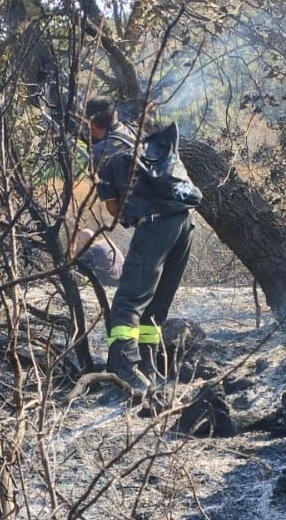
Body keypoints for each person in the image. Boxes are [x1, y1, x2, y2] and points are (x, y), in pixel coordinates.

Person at [83, 97, 202, 397]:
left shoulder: (103, 152)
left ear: (90, 123)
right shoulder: (134, 133)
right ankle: (148, 369)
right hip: (184, 222)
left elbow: (112, 207)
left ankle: (124, 371)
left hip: (155, 226)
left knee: (127, 302)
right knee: (155, 305)